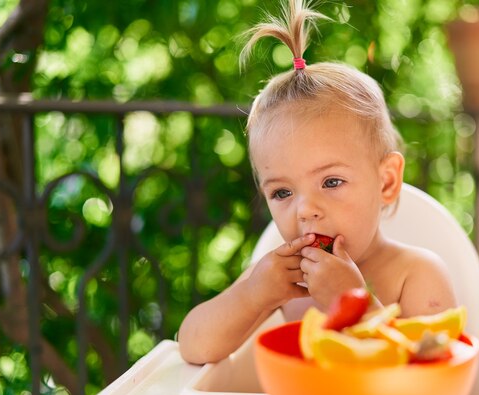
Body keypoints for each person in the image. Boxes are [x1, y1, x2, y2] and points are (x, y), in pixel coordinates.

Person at [177, 0, 456, 365]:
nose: (305, 209)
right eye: (282, 192)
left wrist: (357, 305)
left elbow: (431, 379)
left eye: (331, 181)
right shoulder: (281, 278)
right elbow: (194, 347)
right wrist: (254, 295)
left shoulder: (416, 276)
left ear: (386, 182)